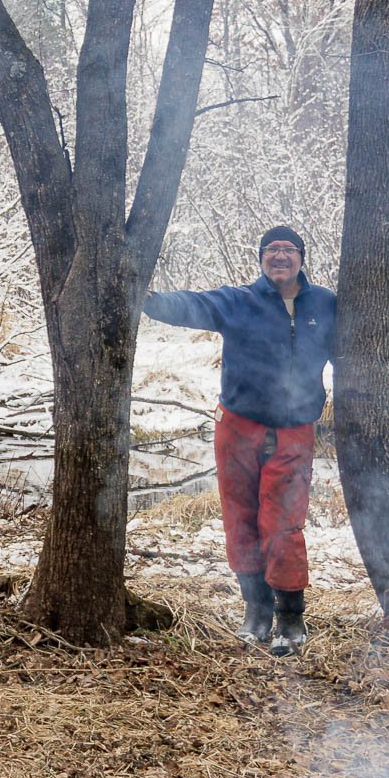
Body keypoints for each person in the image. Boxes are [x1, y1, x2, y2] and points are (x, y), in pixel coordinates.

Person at [142, 225, 333, 656]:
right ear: (261, 259)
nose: (280, 256)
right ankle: (256, 613)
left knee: (283, 524)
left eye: (288, 250)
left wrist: (382, 391)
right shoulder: (240, 301)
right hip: (238, 425)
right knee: (240, 519)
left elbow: (354, 354)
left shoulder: (324, 304)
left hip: (293, 428)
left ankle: (291, 617)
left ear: (302, 258)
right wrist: (149, 301)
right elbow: (193, 305)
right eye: (271, 250)